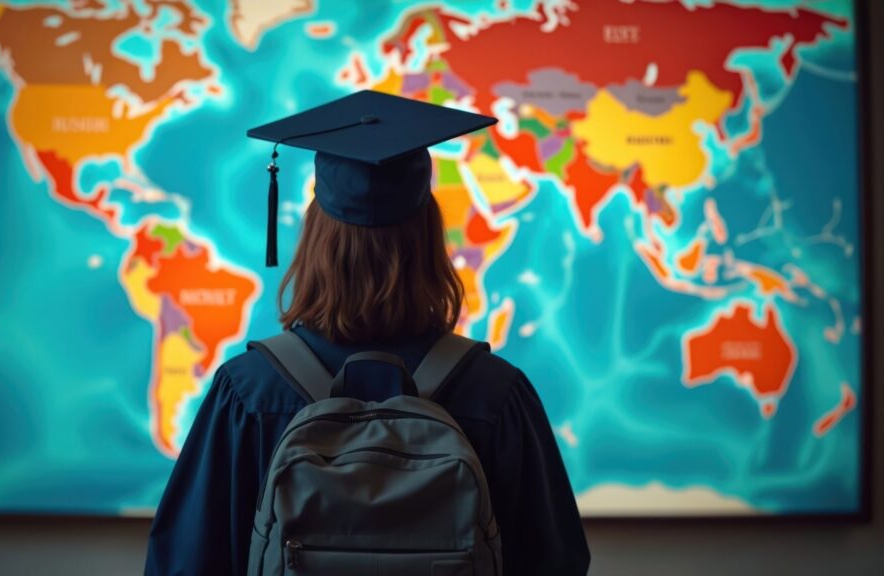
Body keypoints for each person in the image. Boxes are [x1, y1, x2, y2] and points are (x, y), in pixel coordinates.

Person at [145, 90, 590, 575]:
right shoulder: (497, 396)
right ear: (429, 238)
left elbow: (184, 564)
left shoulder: (250, 395)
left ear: (316, 237)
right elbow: (557, 563)